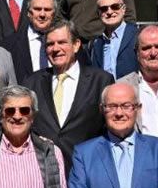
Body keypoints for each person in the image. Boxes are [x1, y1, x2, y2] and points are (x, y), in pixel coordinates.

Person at [23, 20, 114, 166]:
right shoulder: (32, 83)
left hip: (87, 168)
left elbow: (108, 127)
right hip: (44, 170)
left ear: (76, 45)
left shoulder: (101, 81)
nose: (55, 49)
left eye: (62, 42)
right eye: (50, 44)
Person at [2, 0, 58, 81]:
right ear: (28, 13)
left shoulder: (66, 42)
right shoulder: (9, 45)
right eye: (37, 9)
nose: (42, 14)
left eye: (47, 10)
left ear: (54, 14)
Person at [86, 0, 138, 80]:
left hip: (132, 91)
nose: (109, 12)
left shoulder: (137, 35)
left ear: (123, 9)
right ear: (99, 13)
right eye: (104, 9)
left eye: (115, 7)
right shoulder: (93, 44)